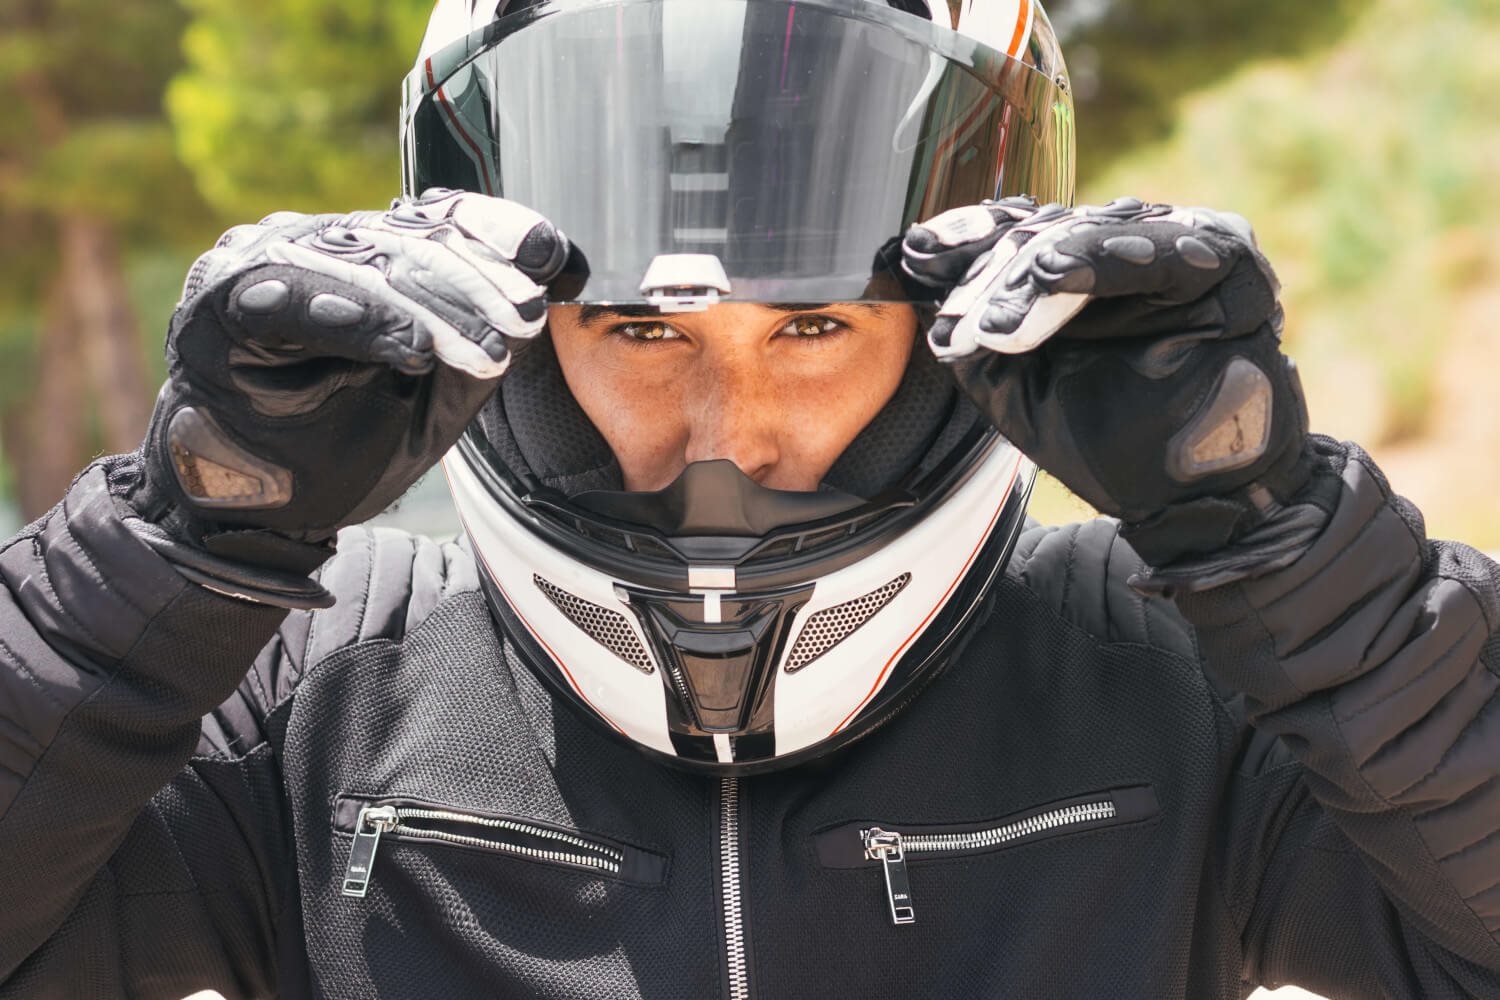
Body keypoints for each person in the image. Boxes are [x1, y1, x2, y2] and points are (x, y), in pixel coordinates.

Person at [1, 0, 1497, 996]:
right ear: (520, 347)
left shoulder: (1171, 677)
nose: (731, 436)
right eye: (641, 334)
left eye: (815, 326)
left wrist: (1287, 552)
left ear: (949, 338)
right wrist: (174, 545)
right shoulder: (308, 692)